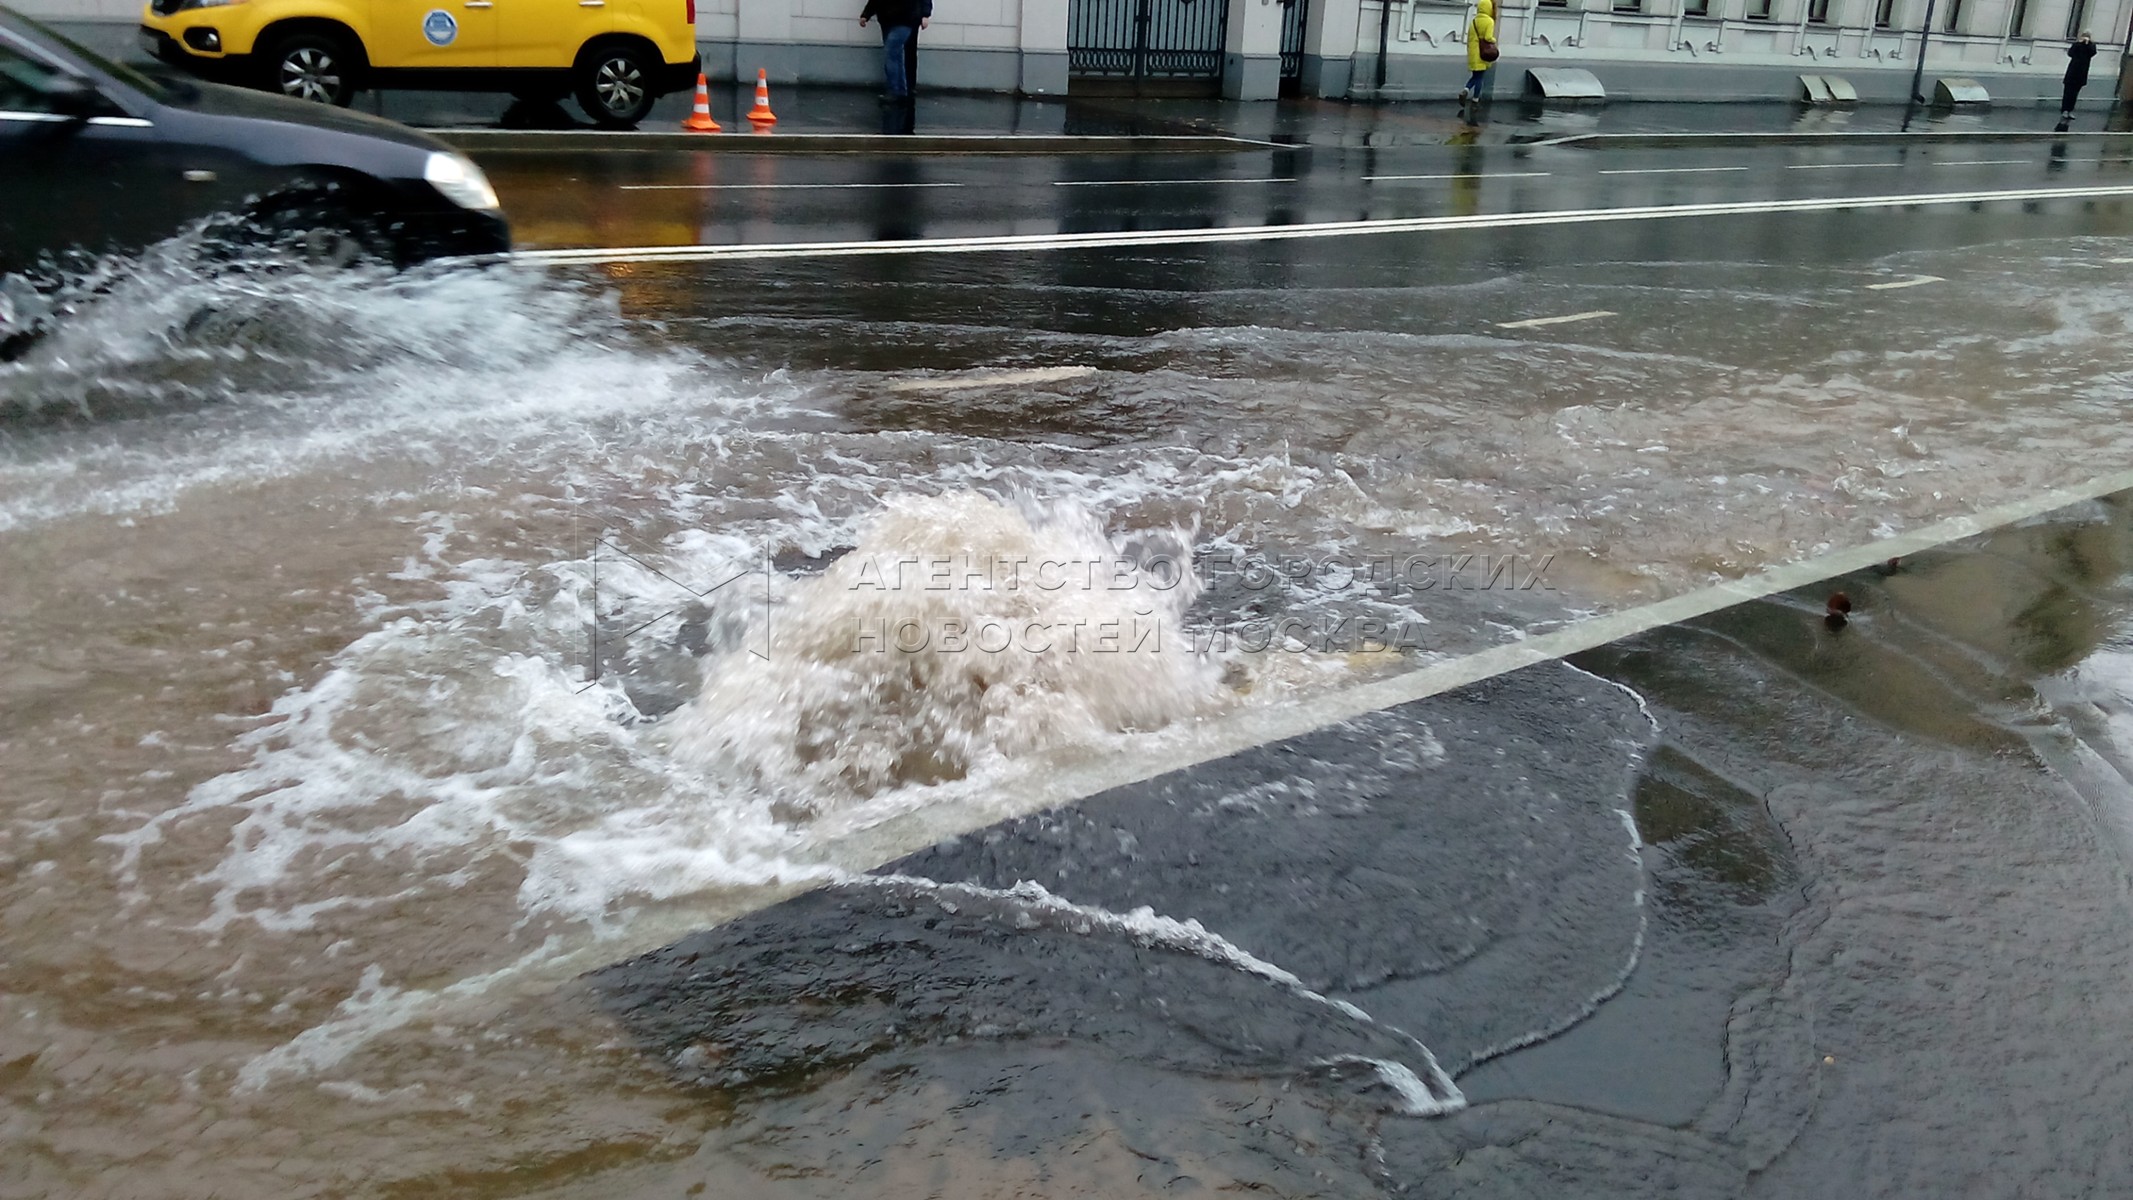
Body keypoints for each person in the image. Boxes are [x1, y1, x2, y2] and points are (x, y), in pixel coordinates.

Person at [859, 0, 931, 102]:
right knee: (896, 55)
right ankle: (901, 90)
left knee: (892, 53)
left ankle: (896, 90)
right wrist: (866, 15)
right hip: (893, 19)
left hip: (904, 19)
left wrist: (925, 14)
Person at [1460, 0, 1497, 109]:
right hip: (1483, 53)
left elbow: (1470, 38)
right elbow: (1488, 37)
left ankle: (1466, 90)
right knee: (1480, 77)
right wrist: (1494, 40)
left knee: (1475, 75)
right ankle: (1475, 100)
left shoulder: (1474, 21)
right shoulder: (1489, 21)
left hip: (1473, 52)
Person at [2062, 31, 2097, 122]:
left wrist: (2087, 44)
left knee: (2075, 94)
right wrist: (2080, 44)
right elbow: (2070, 53)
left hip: (2081, 74)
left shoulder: (2091, 46)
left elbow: (2093, 52)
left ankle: (2070, 110)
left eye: (2087, 37)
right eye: (2084, 36)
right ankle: (2065, 110)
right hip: (2072, 73)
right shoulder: (2077, 45)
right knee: (2068, 93)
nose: (2085, 38)